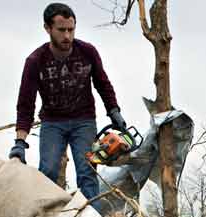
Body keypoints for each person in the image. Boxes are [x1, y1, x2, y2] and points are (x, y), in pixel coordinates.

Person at [9, 3, 125, 200]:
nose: (67, 36)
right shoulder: (35, 61)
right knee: (48, 172)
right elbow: (25, 103)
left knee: (87, 173)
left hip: (84, 120)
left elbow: (102, 84)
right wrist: (20, 142)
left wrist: (114, 111)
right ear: (48, 29)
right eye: (61, 30)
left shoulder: (87, 52)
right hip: (52, 122)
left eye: (71, 30)